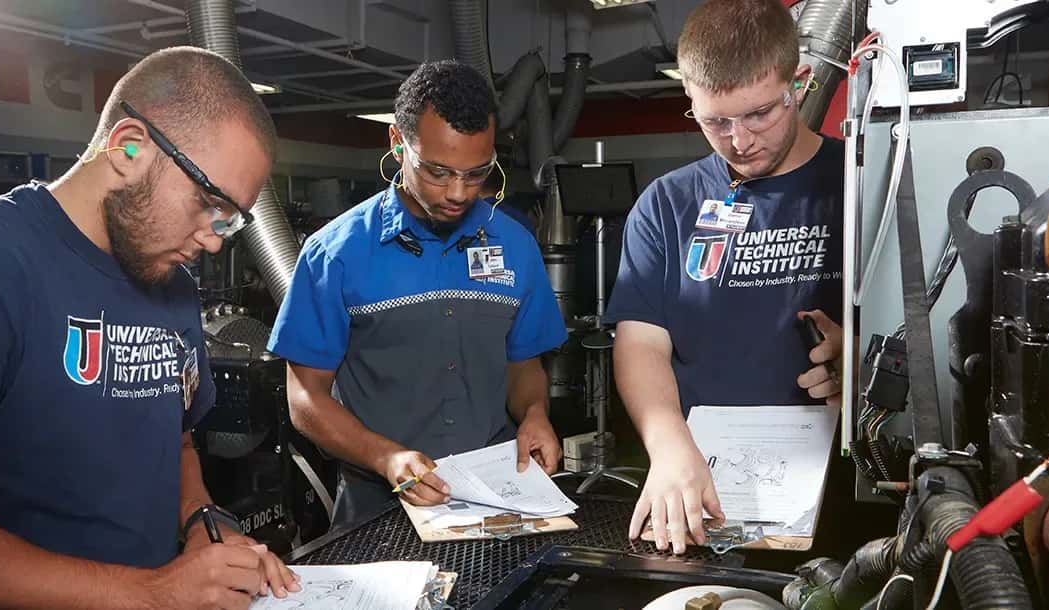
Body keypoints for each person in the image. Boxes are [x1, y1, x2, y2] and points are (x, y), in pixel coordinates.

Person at [0, 47, 300, 610]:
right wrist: (152, 593)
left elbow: (176, 438)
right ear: (129, 147)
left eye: (230, 218)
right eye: (207, 202)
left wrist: (203, 523)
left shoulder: (172, 287)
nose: (215, 238)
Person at [268, 60, 568, 526]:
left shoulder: (515, 246)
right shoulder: (335, 254)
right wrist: (385, 457)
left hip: (495, 495)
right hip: (377, 504)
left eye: (477, 174)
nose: (458, 193)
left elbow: (523, 365)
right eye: (438, 171)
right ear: (397, 143)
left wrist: (534, 413)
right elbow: (305, 399)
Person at [606, 0, 855, 555]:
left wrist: (859, 356)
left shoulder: (861, 183)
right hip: (703, 489)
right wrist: (669, 448)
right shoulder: (667, 204)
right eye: (715, 121)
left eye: (760, 114)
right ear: (689, 99)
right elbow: (641, 342)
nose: (739, 141)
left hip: (841, 492)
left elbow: (924, 327)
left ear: (801, 82)